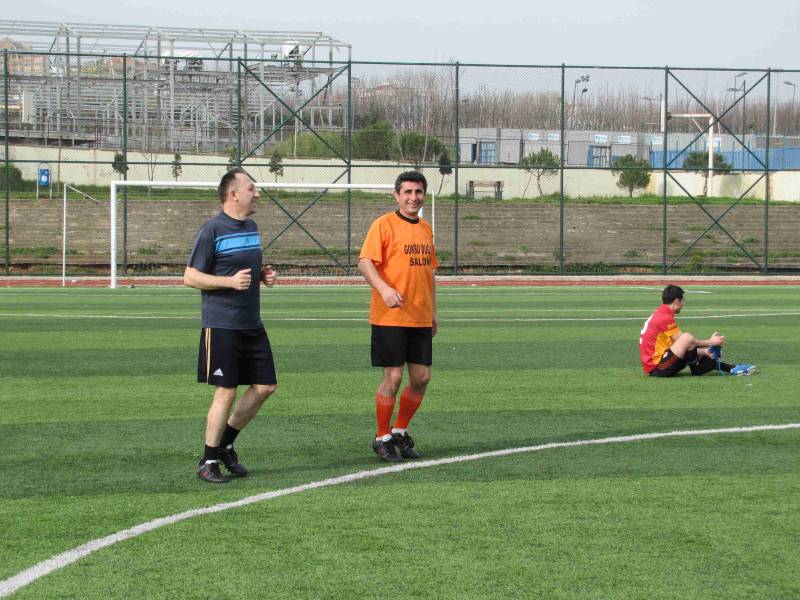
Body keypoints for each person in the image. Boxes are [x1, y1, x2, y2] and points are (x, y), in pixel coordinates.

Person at [184, 168, 278, 483]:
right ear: (234, 194)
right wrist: (229, 282)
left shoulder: (252, 227)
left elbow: (246, 267)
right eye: (252, 188)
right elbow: (190, 276)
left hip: (252, 323)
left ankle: (224, 445)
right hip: (222, 324)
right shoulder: (211, 229)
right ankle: (208, 460)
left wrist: (263, 274)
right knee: (226, 391)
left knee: (265, 386)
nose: (257, 193)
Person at [358, 171, 439, 462]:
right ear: (396, 195)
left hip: (419, 316)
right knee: (392, 377)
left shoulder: (426, 229)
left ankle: (399, 431)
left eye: (418, 192)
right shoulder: (383, 224)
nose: (413, 197)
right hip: (390, 316)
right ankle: (382, 437)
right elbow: (365, 262)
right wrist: (384, 288)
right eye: (407, 192)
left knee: (421, 377)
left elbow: (429, 273)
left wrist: (433, 312)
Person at [639, 284, 755, 377]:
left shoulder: (661, 313)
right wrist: (711, 342)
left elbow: (679, 346)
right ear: (677, 301)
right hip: (658, 368)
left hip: (659, 363)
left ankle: (732, 368)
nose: (683, 304)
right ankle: (700, 369)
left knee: (701, 351)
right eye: (683, 301)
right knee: (687, 337)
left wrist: (704, 351)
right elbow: (686, 341)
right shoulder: (664, 317)